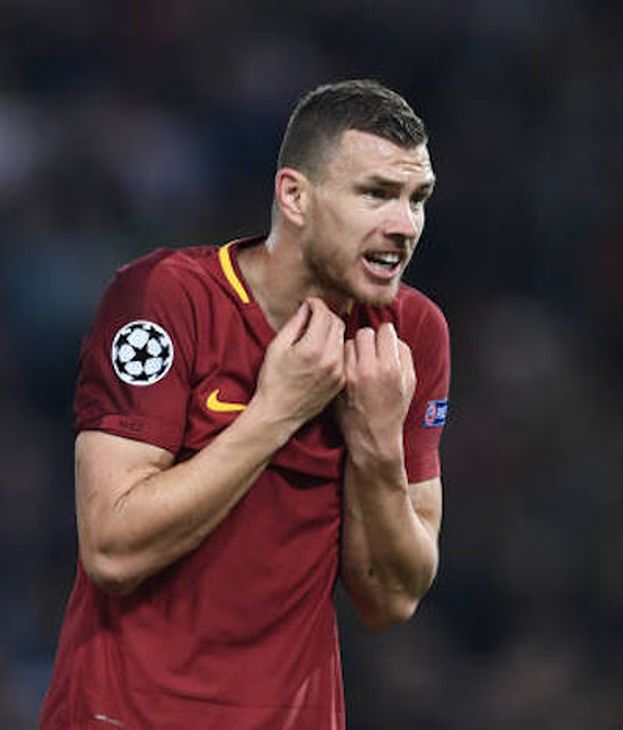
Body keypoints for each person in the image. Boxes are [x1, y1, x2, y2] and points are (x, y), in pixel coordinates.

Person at [40, 79, 449, 729]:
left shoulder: (410, 336)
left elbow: (393, 598)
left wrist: (376, 447)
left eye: (417, 198)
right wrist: (277, 412)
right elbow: (112, 550)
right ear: (295, 196)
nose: (404, 226)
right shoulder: (167, 298)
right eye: (375, 194)